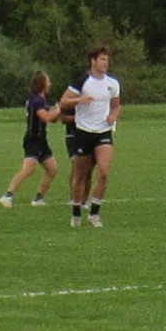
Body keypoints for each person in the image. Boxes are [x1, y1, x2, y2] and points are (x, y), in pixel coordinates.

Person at [60, 46, 121, 228]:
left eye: (107, 59)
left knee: (103, 172)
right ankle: (76, 212)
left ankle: (94, 213)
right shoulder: (82, 82)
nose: (105, 63)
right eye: (102, 59)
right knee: (80, 175)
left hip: (103, 132)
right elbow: (63, 102)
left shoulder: (113, 84)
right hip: (83, 132)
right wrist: (79, 100)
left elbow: (117, 105)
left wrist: (113, 116)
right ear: (93, 61)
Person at [0, 71, 61, 208]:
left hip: (41, 140)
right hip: (33, 139)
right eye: (48, 80)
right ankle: (7, 195)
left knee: (52, 169)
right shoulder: (36, 100)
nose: (50, 83)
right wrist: (59, 108)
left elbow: (53, 119)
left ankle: (39, 198)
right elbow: (46, 117)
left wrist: (57, 111)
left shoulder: (42, 100)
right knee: (28, 169)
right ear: (42, 83)